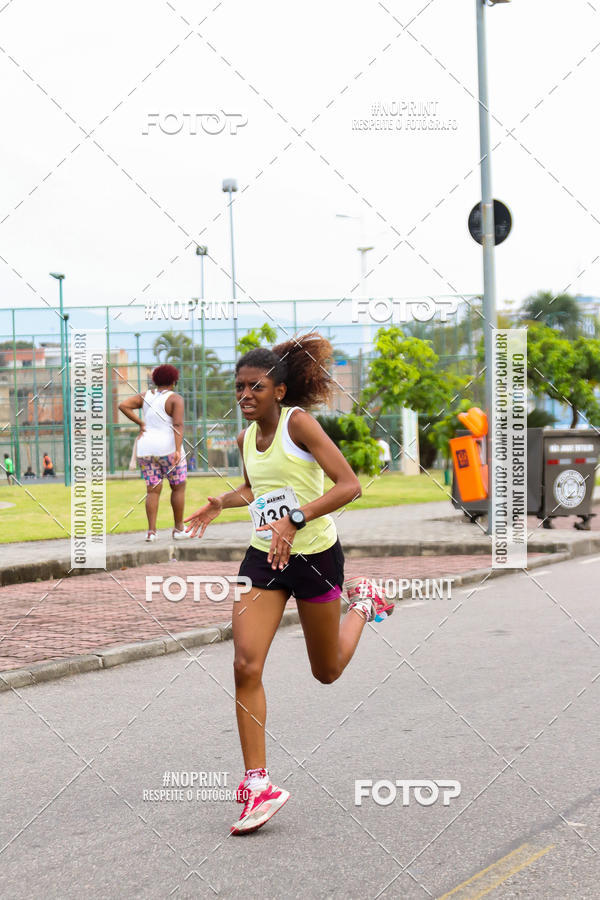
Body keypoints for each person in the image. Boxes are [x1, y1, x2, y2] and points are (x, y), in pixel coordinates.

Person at [184, 333, 394, 836]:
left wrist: (295, 519)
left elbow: (349, 485)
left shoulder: (300, 424)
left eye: (255, 387)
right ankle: (258, 784)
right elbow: (259, 487)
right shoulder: (245, 439)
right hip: (263, 559)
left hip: (316, 558)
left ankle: (363, 603)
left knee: (327, 672)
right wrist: (223, 501)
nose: (245, 395)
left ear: (279, 390)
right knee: (244, 663)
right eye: (238, 388)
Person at [118, 364, 191, 542]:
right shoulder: (175, 399)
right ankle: (178, 529)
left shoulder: (146, 396)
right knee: (178, 487)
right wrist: (176, 450)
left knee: (152, 491)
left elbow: (123, 405)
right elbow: (178, 425)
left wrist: (141, 424)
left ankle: (151, 532)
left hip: (146, 449)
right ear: (174, 381)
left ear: (155, 380)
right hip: (167, 448)